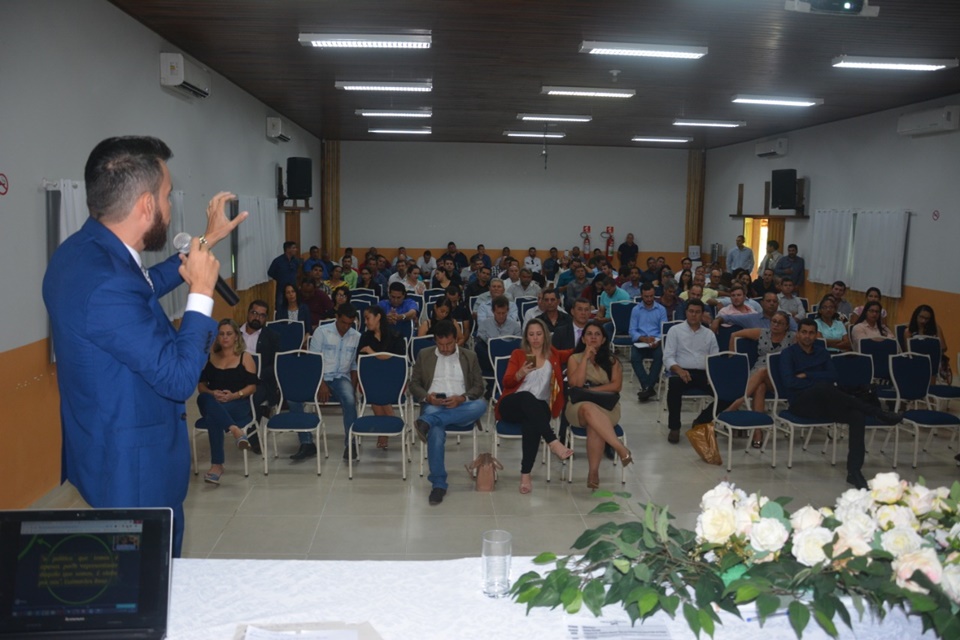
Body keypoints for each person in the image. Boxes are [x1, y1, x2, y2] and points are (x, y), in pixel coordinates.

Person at [42, 136, 246, 557]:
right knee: (146, 588)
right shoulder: (107, 282)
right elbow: (176, 379)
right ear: (146, 206)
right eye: (168, 196)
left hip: (101, 447)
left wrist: (203, 243)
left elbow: (141, 288)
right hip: (131, 472)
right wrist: (202, 294)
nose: (171, 209)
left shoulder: (80, 254)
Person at [780, 319, 902, 489]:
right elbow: (789, 383)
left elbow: (833, 376)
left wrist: (806, 375)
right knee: (823, 387)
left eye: (811, 333)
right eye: (804, 332)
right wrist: (817, 380)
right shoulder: (788, 354)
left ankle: (854, 472)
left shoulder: (821, 352)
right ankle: (878, 412)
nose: (807, 336)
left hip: (826, 402)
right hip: (801, 404)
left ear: (816, 335)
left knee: (856, 416)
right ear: (797, 334)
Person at [411, 320, 488, 506]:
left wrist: (462, 398)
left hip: (461, 406)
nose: (445, 349)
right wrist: (428, 398)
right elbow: (414, 384)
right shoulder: (424, 355)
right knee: (436, 431)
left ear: (457, 339)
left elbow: (480, 386)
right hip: (434, 404)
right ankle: (438, 484)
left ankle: (427, 421)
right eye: (440, 344)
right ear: (435, 340)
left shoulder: (469, 356)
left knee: (481, 405)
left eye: (449, 344)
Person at [496, 318, 574, 494]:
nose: (536, 338)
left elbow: (572, 352)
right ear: (526, 337)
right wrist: (519, 374)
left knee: (532, 422)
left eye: (539, 334)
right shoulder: (518, 354)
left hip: (539, 408)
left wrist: (588, 344)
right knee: (526, 396)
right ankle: (553, 442)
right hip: (513, 403)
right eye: (531, 334)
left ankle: (525, 475)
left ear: (545, 335)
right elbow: (507, 383)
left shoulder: (553, 354)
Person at [565, 321, 633, 489]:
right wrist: (585, 359)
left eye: (597, 334)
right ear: (583, 338)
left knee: (594, 425)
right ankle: (620, 447)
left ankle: (593, 472)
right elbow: (576, 384)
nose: (593, 337)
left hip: (607, 407)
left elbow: (616, 386)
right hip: (578, 407)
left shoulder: (612, 361)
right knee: (588, 408)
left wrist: (592, 390)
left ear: (603, 340)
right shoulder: (574, 358)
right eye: (589, 334)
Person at [196, 319, 258, 484]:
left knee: (212, 418)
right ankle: (235, 430)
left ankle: (217, 466)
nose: (225, 337)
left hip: (237, 403)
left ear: (236, 337)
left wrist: (234, 395)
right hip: (213, 401)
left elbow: (252, 387)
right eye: (221, 334)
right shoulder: (211, 357)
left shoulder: (245, 357)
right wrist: (212, 392)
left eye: (229, 334)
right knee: (204, 398)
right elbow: (201, 386)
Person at [726, 311, 795, 447]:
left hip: (779, 377)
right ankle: (758, 432)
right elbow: (734, 335)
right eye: (773, 321)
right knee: (760, 387)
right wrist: (733, 358)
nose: (775, 325)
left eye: (780, 323)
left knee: (763, 371)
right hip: (758, 375)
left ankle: (737, 403)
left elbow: (811, 341)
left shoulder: (793, 337)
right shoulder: (762, 333)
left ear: (787, 326)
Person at [307, 303, 361, 461]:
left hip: (340, 378)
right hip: (319, 376)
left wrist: (353, 387)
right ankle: (306, 442)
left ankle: (350, 444)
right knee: (294, 397)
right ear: (336, 317)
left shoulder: (356, 336)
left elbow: (354, 366)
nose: (346, 327)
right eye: (343, 322)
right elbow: (313, 360)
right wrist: (321, 383)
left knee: (350, 400)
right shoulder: (322, 332)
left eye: (350, 324)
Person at [662, 300, 720, 444]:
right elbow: (668, 357)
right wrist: (679, 370)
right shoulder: (675, 330)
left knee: (724, 393)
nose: (694, 315)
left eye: (697, 312)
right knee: (674, 385)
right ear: (686, 312)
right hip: (681, 372)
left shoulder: (709, 334)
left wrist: (712, 373)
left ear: (702, 314)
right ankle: (674, 427)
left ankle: (702, 420)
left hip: (703, 373)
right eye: (691, 311)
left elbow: (715, 357)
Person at [358, 305, 407, 449]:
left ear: (378, 317)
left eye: (368, 318)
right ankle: (388, 426)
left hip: (394, 381)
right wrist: (379, 358)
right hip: (371, 380)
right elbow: (360, 361)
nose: (365, 322)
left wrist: (371, 351)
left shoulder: (395, 336)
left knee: (379, 389)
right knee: (374, 386)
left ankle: (383, 432)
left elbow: (397, 360)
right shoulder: (365, 337)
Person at [629, 284, 668, 401]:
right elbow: (632, 330)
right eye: (646, 297)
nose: (649, 299)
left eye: (651, 296)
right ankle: (648, 387)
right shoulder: (636, 310)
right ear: (641, 296)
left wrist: (657, 340)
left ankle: (647, 388)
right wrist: (643, 339)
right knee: (634, 357)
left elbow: (663, 330)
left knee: (660, 356)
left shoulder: (661, 309)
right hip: (640, 342)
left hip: (656, 342)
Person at [475, 295, 522, 377]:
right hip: (489, 356)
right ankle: (492, 379)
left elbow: (518, 345)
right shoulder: (484, 324)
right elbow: (481, 341)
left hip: (508, 355)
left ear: (507, 311)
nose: (501, 316)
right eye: (498, 313)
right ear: (493, 311)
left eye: (503, 313)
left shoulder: (515, 326)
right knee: (479, 347)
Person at [905, 304, 950, 384]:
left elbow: (943, 348)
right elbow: (908, 352)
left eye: (927, 319)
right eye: (921, 317)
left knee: (932, 367)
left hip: (932, 363)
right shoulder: (908, 332)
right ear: (916, 316)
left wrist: (937, 329)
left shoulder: (935, 329)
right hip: (915, 363)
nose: (923, 321)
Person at [268, 241, 301, 311]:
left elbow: (298, 271)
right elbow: (270, 272)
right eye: (294, 248)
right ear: (288, 249)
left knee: (294, 307)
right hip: (281, 288)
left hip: (293, 288)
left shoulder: (295, 261)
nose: (296, 250)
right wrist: (279, 278)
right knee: (280, 307)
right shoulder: (278, 261)